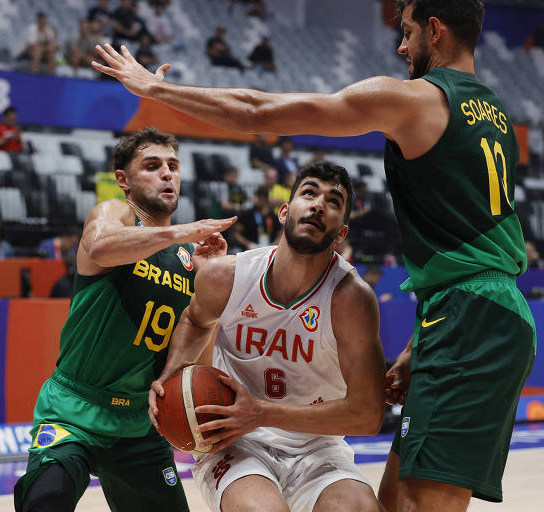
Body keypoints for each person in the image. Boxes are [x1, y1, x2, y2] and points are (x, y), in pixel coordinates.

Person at [93, 0, 536, 507]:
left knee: (416, 506)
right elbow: (476, 237)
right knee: (396, 503)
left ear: (434, 30)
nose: (401, 46)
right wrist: (421, 342)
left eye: (408, 31)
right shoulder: (494, 114)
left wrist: (157, 89)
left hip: (467, 317)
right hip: (468, 311)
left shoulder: (416, 99)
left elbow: (258, 111)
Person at [13, 127, 236, 512]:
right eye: (152, 166)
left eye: (173, 166)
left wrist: (209, 282)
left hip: (140, 422)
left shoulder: (189, 257)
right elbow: (99, 246)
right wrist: (180, 231)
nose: (167, 174)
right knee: (45, 500)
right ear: (124, 180)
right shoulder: (116, 214)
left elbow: (196, 362)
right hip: (75, 407)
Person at [148, 162, 385, 512]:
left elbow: (367, 416)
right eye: (309, 192)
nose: (318, 204)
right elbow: (195, 321)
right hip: (237, 441)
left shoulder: (351, 300)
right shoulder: (227, 276)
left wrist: (260, 412)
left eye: (333, 201)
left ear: (341, 233)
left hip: (318, 448)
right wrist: (172, 373)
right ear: (285, 211)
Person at [229, 185, 279, 252]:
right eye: (259, 197)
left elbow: (281, 234)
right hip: (250, 249)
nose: (260, 200)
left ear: (266, 199)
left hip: (268, 250)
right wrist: (248, 244)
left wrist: (273, 245)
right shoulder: (248, 214)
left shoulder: (273, 216)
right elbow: (235, 234)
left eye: (262, 198)